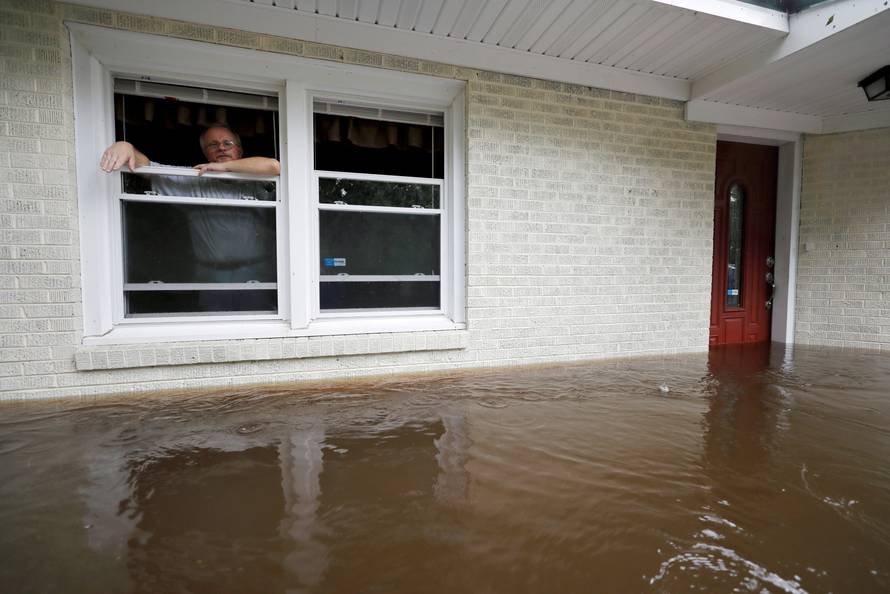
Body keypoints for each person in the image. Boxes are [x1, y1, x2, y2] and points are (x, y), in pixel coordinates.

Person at [100, 123, 281, 312]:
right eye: (213, 145)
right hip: (211, 276)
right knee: (216, 331)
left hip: (256, 275)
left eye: (228, 143)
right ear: (205, 153)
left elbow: (273, 166)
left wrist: (224, 167)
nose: (221, 147)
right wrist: (125, 146)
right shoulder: (195, 180)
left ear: (240, 150)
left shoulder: (258, 183)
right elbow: (148, 168)